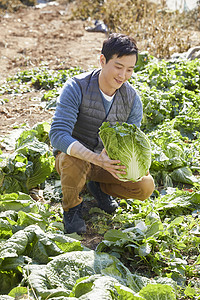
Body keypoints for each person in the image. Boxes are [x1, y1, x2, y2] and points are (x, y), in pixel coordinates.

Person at [49, 33, 155, 235]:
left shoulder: (132, 99)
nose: (123, 75)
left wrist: (123, 163)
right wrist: (95, 158)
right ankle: (71, 208)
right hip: (76, 159)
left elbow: (134, 141)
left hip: (108, 163)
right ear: (102, 60)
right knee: (71, 161)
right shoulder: (76, 87)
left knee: (145, 186)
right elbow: (58, 134)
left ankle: (98, 187)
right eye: (118, 66)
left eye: (130, 70)